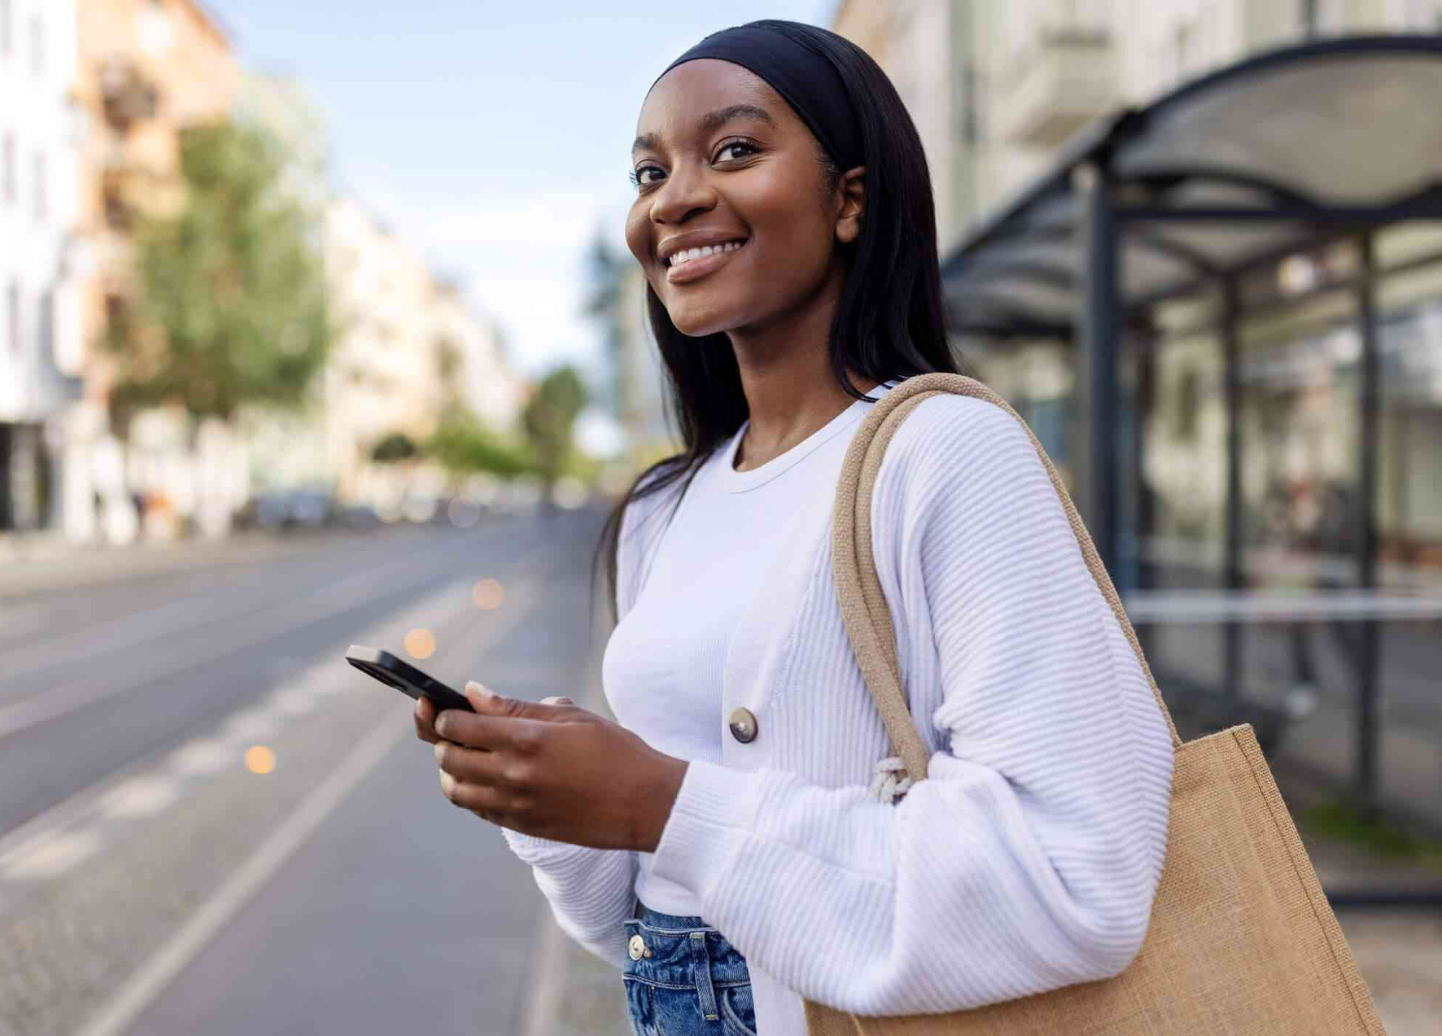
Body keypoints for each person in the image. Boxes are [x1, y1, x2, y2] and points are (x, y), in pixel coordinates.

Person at [414, 19, 1176, 1036]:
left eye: (732, 150)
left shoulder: (943, 451)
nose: (672, 198)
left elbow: (1077, 869)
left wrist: (662, 801)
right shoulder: (660, 510)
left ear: (849, 199)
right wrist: (551, 795)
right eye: (648, 171)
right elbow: (648, 915)